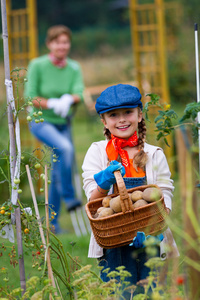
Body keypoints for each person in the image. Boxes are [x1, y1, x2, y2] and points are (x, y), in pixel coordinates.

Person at [82, 84, 179, 298]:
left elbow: (165, 195)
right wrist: (104, 182)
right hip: (112, 245)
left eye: (128, 112)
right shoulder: (97, 153)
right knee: (120, 294)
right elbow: (94, 203)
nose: (122, 119)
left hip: (151, 241)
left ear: (140, 115)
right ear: (104, 121)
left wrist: (156, 232)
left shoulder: (154, 154)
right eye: (113, 115)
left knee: (153, 293)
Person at [24, 25, 84, 234]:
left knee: (57, 171)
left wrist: (69, 99)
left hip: (63, 122)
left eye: (65, 42)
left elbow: (79, 93)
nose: (62, 46)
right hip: (41, 121)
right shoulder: (37, 65)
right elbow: (29, 97)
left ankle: (52, 224)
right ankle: (70, 197)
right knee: (66, 149)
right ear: (49, 44)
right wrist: (52, 104)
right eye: (58, 42)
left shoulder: (74, 67)